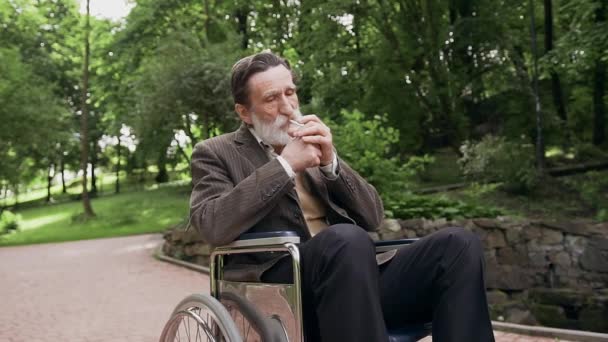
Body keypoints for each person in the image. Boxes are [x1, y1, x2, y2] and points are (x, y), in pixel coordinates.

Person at [189, 51, 495, 342]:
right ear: (244, 112)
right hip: (284, 287)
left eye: (290, 92)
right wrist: (285, 166)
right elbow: (213, 225)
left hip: (355, 278)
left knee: (458, 245)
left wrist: (331, 162)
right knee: (345, 240)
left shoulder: (310, 142)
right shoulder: (216, 152)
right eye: (271, 98)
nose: (287, 107)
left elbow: (373, 216)